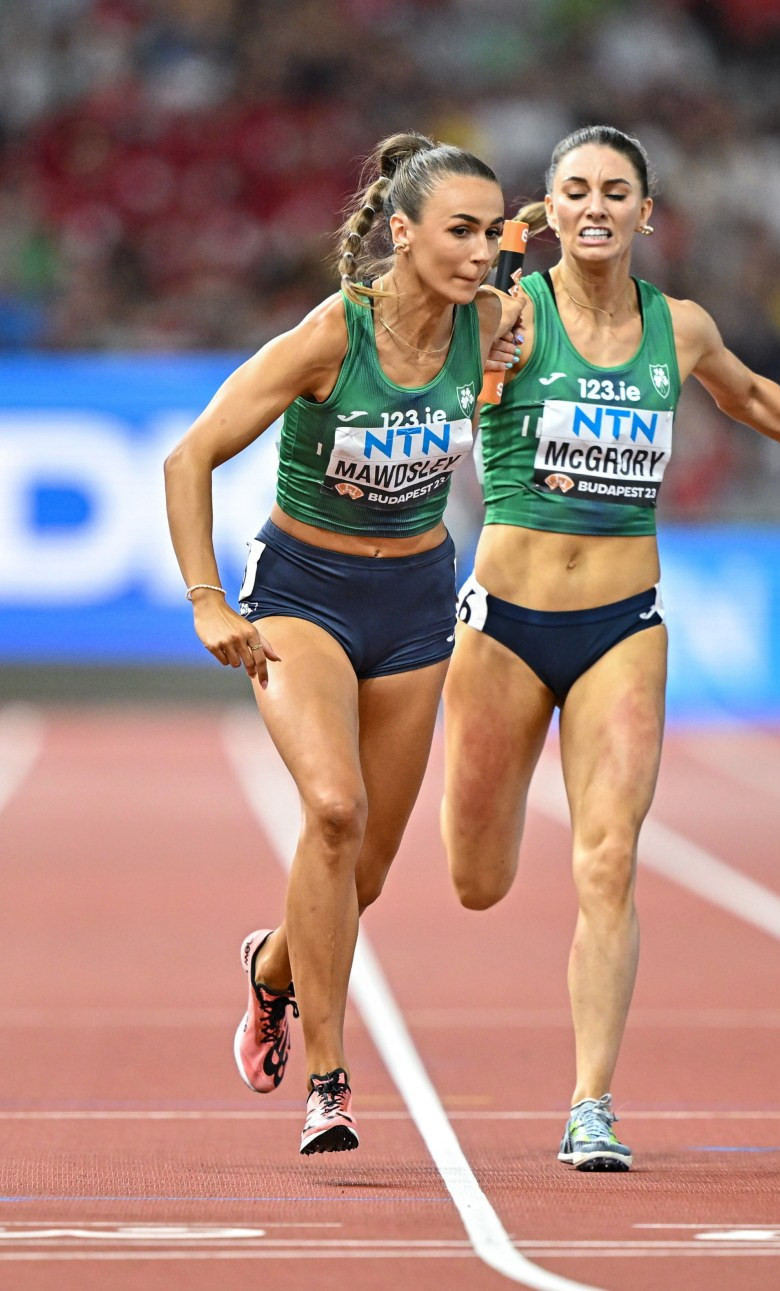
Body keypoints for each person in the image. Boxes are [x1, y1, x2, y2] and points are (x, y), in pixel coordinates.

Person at [441, 125, 780, 1173]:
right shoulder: (508, 314)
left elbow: (756, 396)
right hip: (503, 623)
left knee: (608, 856)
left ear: (646, 211)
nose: (596, 206)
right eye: (575, 189)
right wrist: (500, 253)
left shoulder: (678, 329)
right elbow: (424, 320)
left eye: (615, 191)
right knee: (477, 879)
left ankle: (592, 1102)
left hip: (623, 626)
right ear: (551, 208)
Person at [164, 132, 521, 1157]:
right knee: (331, 807)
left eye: (491, 233)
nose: (481, 251)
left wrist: (545, 228)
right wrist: (205, 601)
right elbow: (188, 458)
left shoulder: (491, 320)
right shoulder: (331, 335)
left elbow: (562, 281)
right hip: (305, 597)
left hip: (416, 602)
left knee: (357, 874)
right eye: (460, 230)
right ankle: (330, 1078)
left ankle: (272, 963)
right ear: (399, 233)